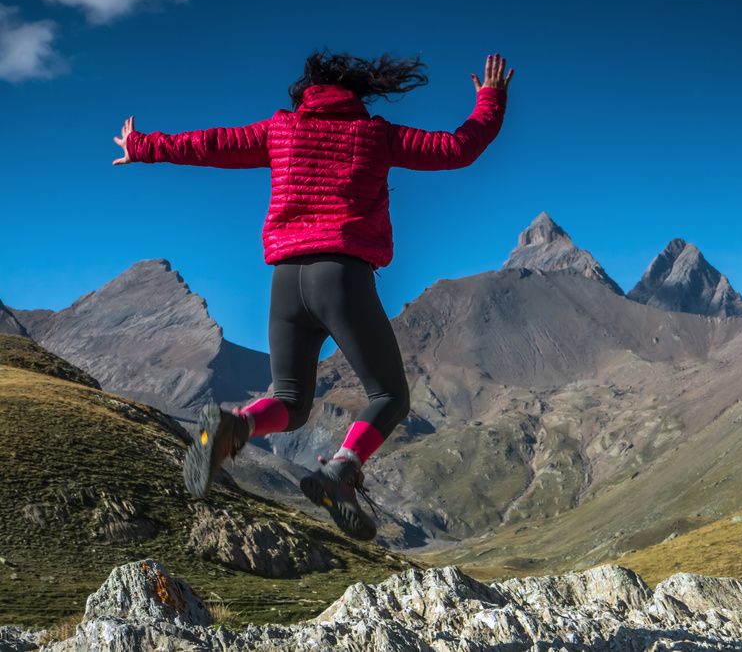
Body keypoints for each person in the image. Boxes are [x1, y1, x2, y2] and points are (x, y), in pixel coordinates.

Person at [112, 51, 512, 541]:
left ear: (307, 93)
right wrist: (490, 101)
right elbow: (457, 149)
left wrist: (144, 145)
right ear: (358, 94)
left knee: (289, 400)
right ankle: (342, 468)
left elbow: (212, 144)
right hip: (340, 277)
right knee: (388, 395)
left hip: (285, 283)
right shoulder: (376, 135)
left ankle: (235, 427)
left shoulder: (280, 130)